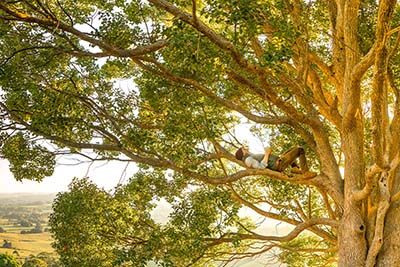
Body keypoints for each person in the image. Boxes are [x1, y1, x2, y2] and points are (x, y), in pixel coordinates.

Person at [235, 146, 309, 173]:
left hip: (280, 161)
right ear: (242, 152)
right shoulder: (248, 160)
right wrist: (267, 153)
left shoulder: (250, 156)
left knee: (291, 150)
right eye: (243, 149)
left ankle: (295, 169)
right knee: (300, 150)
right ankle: (306, 172)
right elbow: (260, 167)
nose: (245, 149)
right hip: (279, 164)